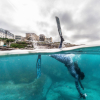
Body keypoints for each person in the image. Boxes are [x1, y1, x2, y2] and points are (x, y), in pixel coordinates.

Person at [51, 35, 86, 99]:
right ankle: (41, 52)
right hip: (67, 61)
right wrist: (80, 93)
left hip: (69, 60)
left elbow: (79, 81)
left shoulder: (78, 74)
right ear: (80, 77)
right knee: (53, 55)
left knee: (59, 52)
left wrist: (82, 86)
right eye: (81, 78)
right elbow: (77, 85)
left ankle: (61, 41)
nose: (80, 79)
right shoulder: (77, 76)